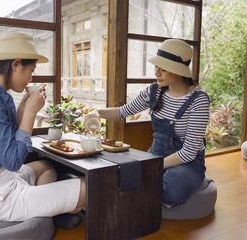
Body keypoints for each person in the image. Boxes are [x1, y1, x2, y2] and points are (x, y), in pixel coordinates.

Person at [0, 32, 85, 225]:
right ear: (15, 65)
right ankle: (45, 211)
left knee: (46, 167)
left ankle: (45, 210)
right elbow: (13, 160)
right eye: (31, 70)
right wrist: (31, 112)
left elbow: (5, 138)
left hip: (0, 180)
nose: (31, 77)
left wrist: (24, 105)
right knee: (87, 188)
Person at [84, 39, 210, 207]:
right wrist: (97, 112)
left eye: (163, 69)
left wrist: (153, 167)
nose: (157, 73)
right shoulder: (154, 91)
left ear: (180, 72)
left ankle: (189, 181)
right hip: (155, 154)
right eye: (156, 67)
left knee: (172, 190)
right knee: (121, 178)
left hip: (187, 162)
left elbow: (189, 152)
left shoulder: (199, 101)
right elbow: (123, 111)